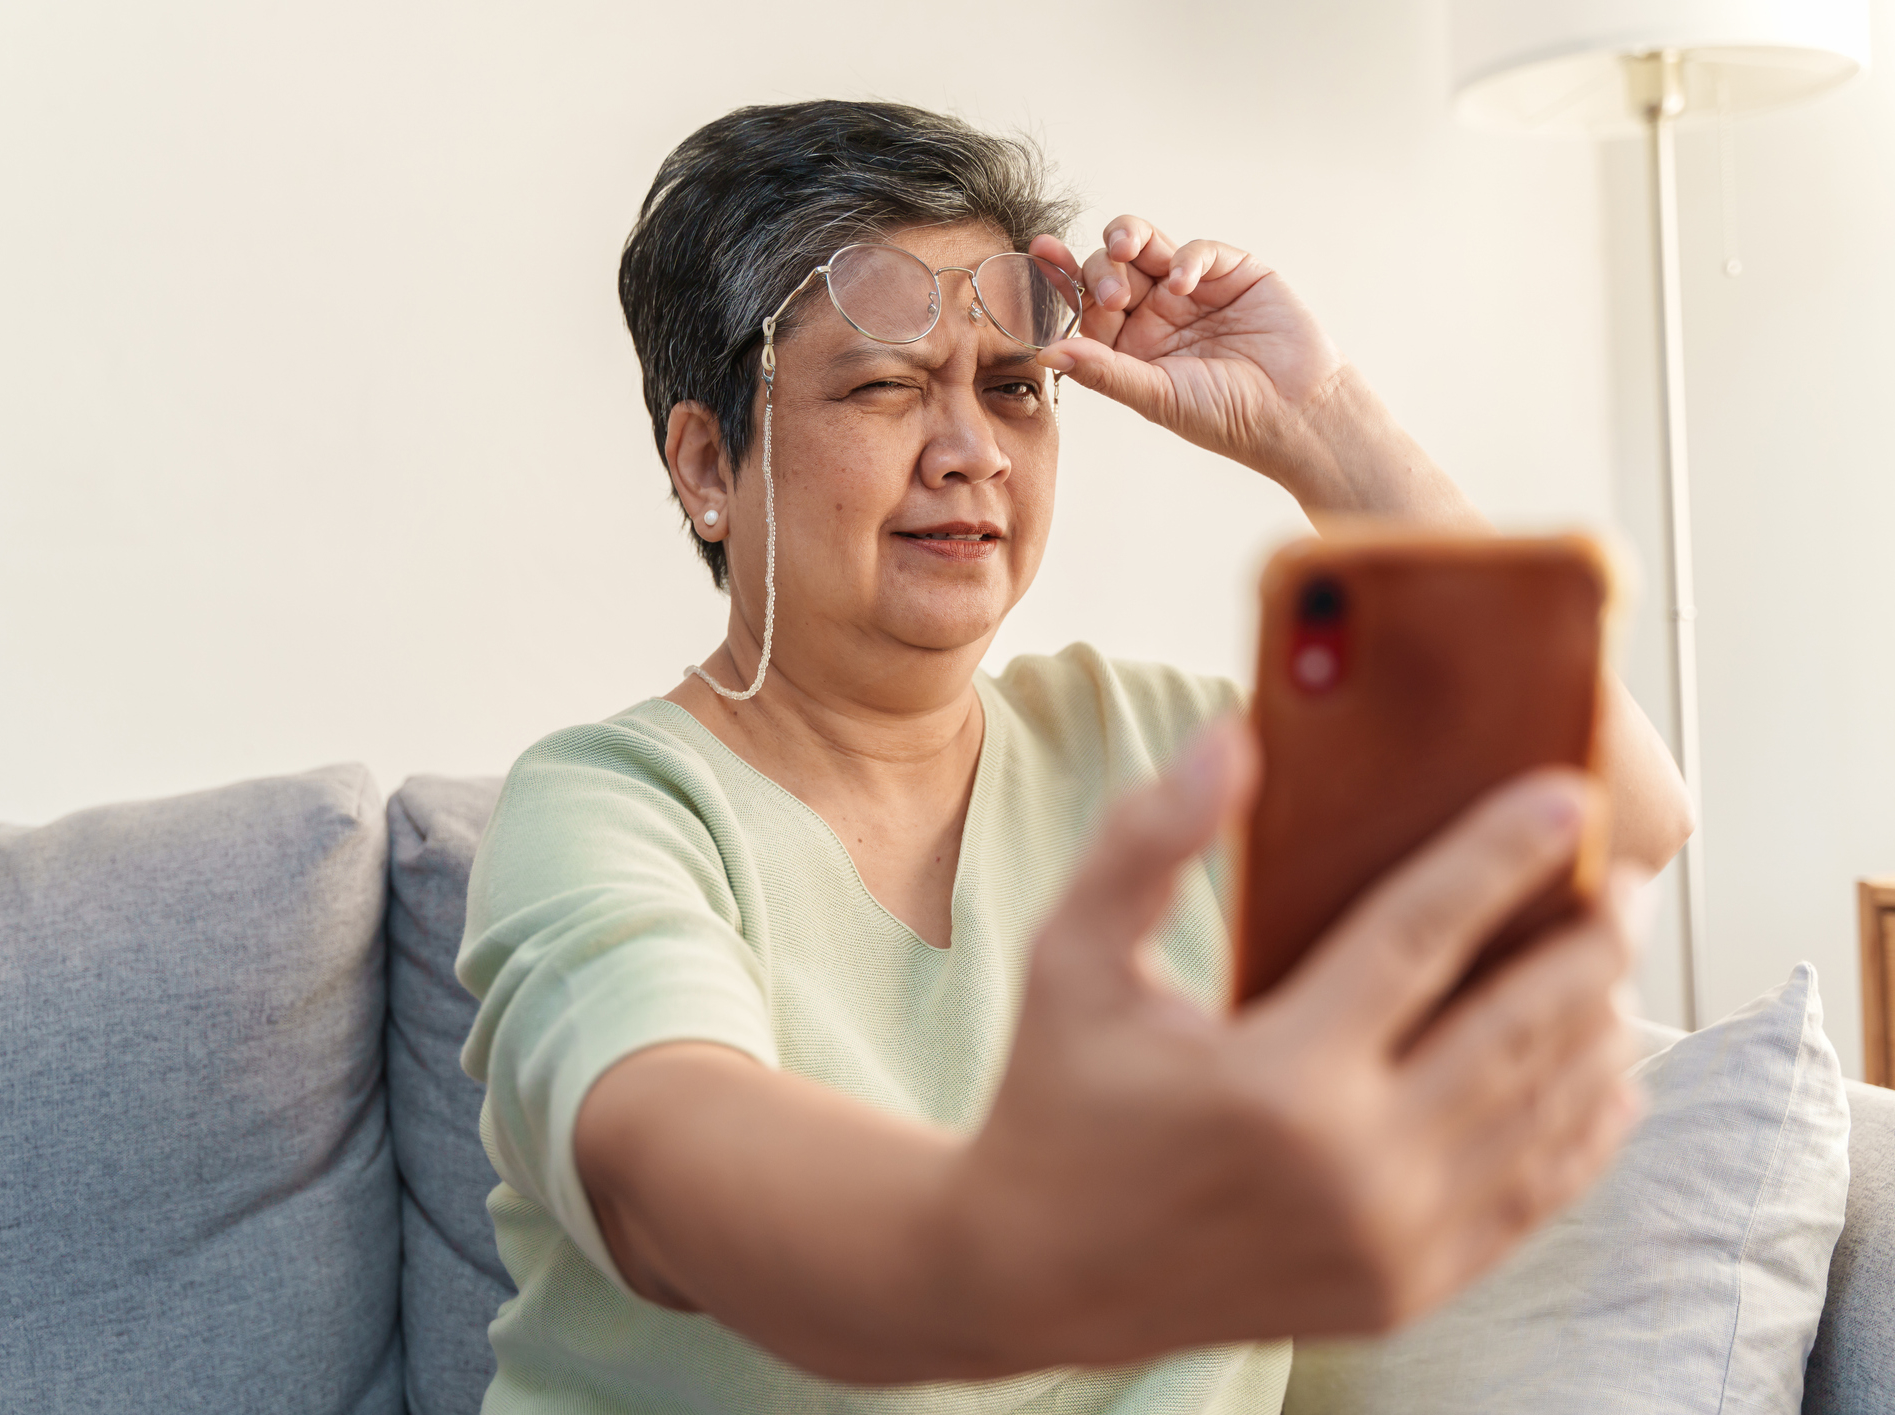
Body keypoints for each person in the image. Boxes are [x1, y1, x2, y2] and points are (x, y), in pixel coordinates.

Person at [455, 99, 1693, 1414]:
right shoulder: (611, 810)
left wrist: (1324, 429)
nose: (972, 452)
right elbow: (667, 1162)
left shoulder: (1165, 757)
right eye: (884, 387)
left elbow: (1626, 816)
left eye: (1015, 389)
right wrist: (1016, 1240)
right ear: (708, 462)